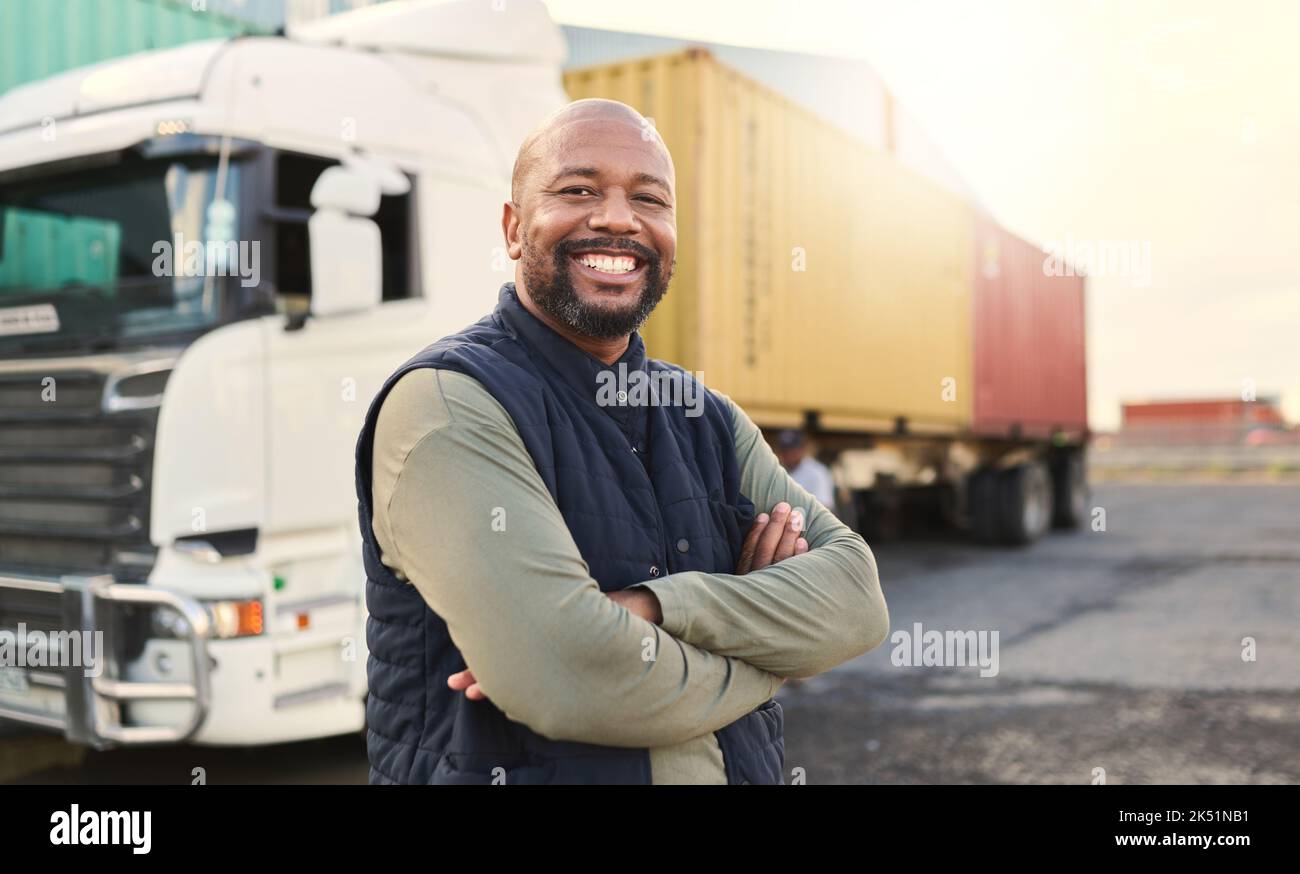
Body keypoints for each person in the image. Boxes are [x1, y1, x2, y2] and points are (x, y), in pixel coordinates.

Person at [354, 98, 889, 785]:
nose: (616, 217)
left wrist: (656, 609)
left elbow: (856, 600)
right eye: (577, 190)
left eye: (649, 198)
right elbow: (564, 673)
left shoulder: (706, 417)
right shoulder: (449, 403)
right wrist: (776, 652)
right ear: (514, 229)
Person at [777, 429, 837, 511]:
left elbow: (824, 508)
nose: (788, 455)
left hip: (810, 521)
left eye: (793, 451)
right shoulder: (779, 470)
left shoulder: (817, 472)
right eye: (785, 451)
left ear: (802, 449)